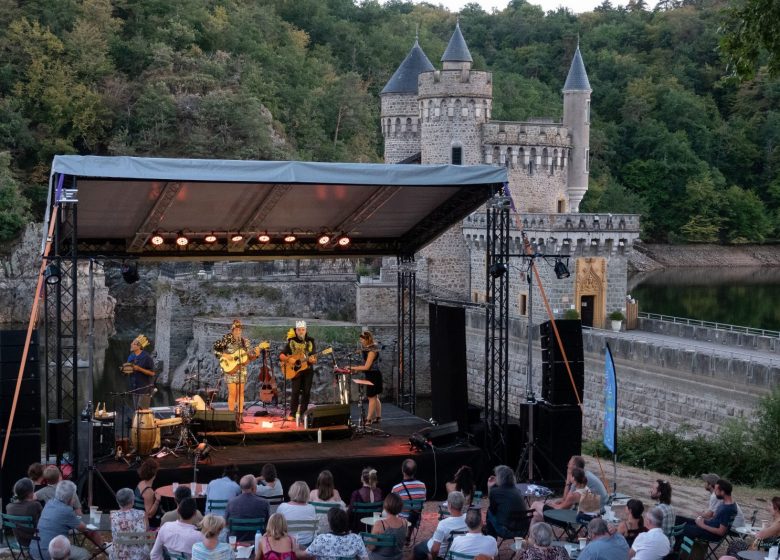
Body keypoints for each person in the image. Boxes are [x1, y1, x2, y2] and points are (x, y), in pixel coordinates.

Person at [35, 481, 105, 560]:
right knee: (85, 554)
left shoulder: (50, 503)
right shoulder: (66, 510)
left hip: (36, 549)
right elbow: (83, 528)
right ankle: (103, 546)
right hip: (50, 552)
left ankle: (102, 546)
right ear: (71, 498)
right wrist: (90, 526)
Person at [213, 319, 259, 413]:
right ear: (232, 330)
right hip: (230, 369)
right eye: (236, 330)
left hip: (242, 369)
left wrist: (256, 354)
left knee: (240, 393)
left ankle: (240, 414)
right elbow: (215, 350)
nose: (238, 331)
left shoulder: (245, 342)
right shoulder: (226, 339)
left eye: (239, 330)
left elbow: (249, 357)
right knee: (232, 393)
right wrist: (225, 355)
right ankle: (231, 415)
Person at [279, 320, 317, 420]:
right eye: (299, 330)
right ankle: (292, 413)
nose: (301, 332)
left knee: (306, 392)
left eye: (303, 330)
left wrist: (313, 360)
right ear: (296, 331)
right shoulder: (291, 341)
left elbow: (314, 356)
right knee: (295, 392)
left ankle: (303, 413)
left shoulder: (310, 341)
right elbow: (281, 355)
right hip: (295, 371)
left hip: (308, 370)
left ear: (306, 330)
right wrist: (289, 359)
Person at [413, 491, 467, 560]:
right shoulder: (468, 518)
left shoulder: (444, 524)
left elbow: (435, 550)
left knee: (416, 549)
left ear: (449, 505)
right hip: (456, 551)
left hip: (442, 554)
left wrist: (433, 558)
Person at [348, 331, 383, 424]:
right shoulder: (367, 348)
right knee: (375, 397)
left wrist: (353, 368)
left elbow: (367, 367)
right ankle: (378, 417)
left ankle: (369, 419)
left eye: (362, 340)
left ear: (367, 339)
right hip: (371, 374)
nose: (361, 341)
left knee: (371, 397)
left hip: (374, 375)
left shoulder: (372, 351)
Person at [485, 465, 528, 537]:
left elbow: (492, 510)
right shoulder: (517, 490)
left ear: (500, 477)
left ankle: (491, 540)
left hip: (506, 530)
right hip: (523, 530)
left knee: (489, 512)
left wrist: (489, 487)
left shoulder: (495, 491)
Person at [226, 475, 271, 542]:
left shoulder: (231, 503)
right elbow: (268, 523)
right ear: (253, 488)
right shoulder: (264, 503)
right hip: (257, 542)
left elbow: (226, 522)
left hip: (236, 542)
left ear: (241, 488)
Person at [390, 459, 426, 541]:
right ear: (415, 471)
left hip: (401, 520)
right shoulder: (422, 486)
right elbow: (422, 501)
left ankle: (399, 536)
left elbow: (392, 507)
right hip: (415, 519)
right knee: (412, 511)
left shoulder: (396, 489)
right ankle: (408, 535)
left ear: (403, 471)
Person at [111, 487, 149, 560]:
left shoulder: (113, 516)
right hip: (137, 556)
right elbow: (146, 533)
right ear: (132, 501)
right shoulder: (142, 514)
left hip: (118, 555)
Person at [277, 481, 318, 547]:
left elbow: (277, 529)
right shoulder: (312, 508)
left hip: (287, 546)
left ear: (292, 491)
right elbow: (314, 530)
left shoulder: (282, 507)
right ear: (307, 493)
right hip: (307, 546)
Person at [6, 478, 43, 548]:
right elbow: (44, 521)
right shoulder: (35, 505)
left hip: (20, 542)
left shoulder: (9, 507)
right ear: (30, 493)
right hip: (35, 541)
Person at [369, 494, 408, 560]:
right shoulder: (405, 522)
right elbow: (402, 541)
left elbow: (371, 547)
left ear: (386, 506)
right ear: (400, 507)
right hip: (398, 557)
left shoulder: (379, 524)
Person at [126, 334, 156, 409]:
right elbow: (129, 371)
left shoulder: (146, 357)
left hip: (144, 389)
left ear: (139, 346)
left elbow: (152, 373)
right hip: (134, 388)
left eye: (133, 343)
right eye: (132, 343)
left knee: (142, 412)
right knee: (136, 411)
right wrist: (125, 370)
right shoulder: (131, 356)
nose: (131, 344)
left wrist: (140, 369)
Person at [135, 458, 162, 528]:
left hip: (138, 519)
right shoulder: (148, 491)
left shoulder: (141, 483)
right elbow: (149, 515)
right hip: (145, 525)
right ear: (154, 474)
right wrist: (157, 500)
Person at [649, 479, 675, 545]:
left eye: (653, 488)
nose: (650, 490)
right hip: (669, 543)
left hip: (660, 546)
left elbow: (650, 530)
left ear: (659, 493)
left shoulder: (658, 509)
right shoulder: (671, 507)